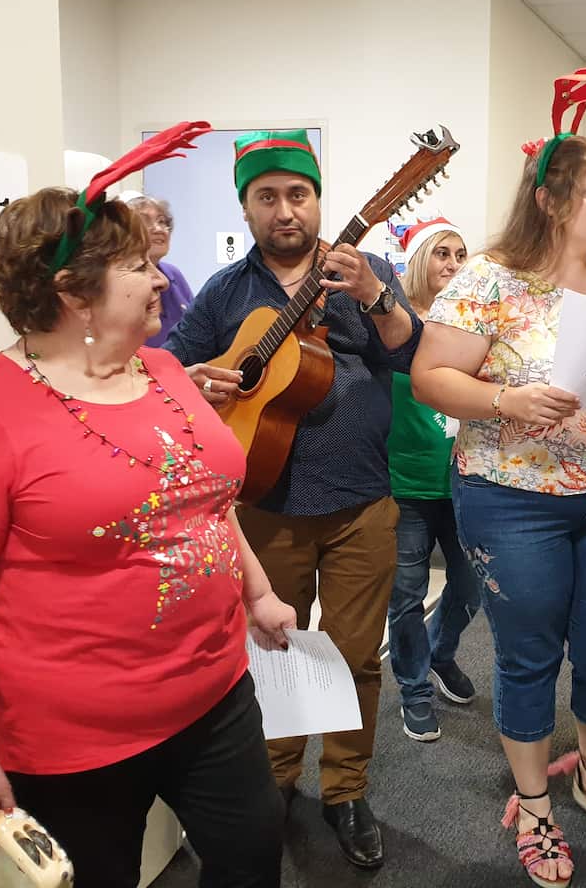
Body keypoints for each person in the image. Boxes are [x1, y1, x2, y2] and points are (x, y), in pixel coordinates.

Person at [0, 134, 296, 888]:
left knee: (251, 854)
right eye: (137, 266)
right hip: (72, 737)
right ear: (76, 293)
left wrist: (259, 592)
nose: (158, 281)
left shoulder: (168, 370)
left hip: (215, 696)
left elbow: (203, 500)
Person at [412, 129, 586, 888]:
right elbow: (430, 377)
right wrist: (505, 398)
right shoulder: (490, 279)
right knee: (528, 654)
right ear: (548, 199)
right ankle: (532, 803)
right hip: (511, 498)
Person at [165, 129, 420, 870]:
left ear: (318, 202)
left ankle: (345, 789)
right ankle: (274, 781)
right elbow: (170, 373)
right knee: (274, 653)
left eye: (298, 195)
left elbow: (408, 352)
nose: (286, 210)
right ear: (246, 208)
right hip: (264, 507)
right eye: (267, 196)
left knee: (354, 657)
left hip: (362, 502)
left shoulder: (363, 270)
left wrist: (376, 298)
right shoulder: (225, 291)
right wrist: (208, 377)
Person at [385, 216, 481, 742]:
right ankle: (414, 689)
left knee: (471, 587)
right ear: (419, 261)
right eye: (442, 253)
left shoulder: (470, 325)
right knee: (406, 593)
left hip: (465, 478)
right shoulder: (392, 324)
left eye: (460, 254)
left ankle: (441, 652)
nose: (452, 264)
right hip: (405, 481)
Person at [126, 193, 195, 347]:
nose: (159, 229)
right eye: (145, 221)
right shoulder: (122, 281)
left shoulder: (174, 275)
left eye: (162, 221)